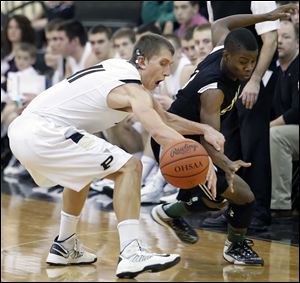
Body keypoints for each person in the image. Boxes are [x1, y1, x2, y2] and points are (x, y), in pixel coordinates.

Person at [7, 33, 224, 278]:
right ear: (142, 61)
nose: (167, 72)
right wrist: (204, 159)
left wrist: (203, 129)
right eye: (162, 63)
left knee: (84, 171)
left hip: (25, 131)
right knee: (129, 167)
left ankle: (65, 244)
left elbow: (165, 118)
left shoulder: (118, 72)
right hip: (44, 131)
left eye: (171, 66)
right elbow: (159, 131)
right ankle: (132, 252)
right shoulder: (130, 85)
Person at [150, 4, 298, 266]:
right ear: (227, 56)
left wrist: (265, 17)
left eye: (252, 62)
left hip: (188, 138)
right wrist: (228, 165)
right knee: (242, 196)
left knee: (217, 199)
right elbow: (210, 140)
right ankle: (235, 246)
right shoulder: (214, 90)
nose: (248, 68)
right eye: (243, 62)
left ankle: (170, 212)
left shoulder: (221, 47)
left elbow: (223, 23)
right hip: (177, 144)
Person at [204, 1, 282, 229]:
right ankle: (233, 207)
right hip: (228, 79)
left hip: (254, 78)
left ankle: (258, 211)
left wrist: (255, 80)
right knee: (230, 146)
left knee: (253, 147)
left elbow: (271, 40)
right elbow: (218, 39)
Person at [269, 20, 299, 216]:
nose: (280, 41)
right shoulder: (276, 70)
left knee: (275, 135)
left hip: (292, 128)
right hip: (290, 130)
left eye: (286, 37)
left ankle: (281, 205)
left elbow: (297, 111)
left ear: (298, 43)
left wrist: (269, 126)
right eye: (277, 36)